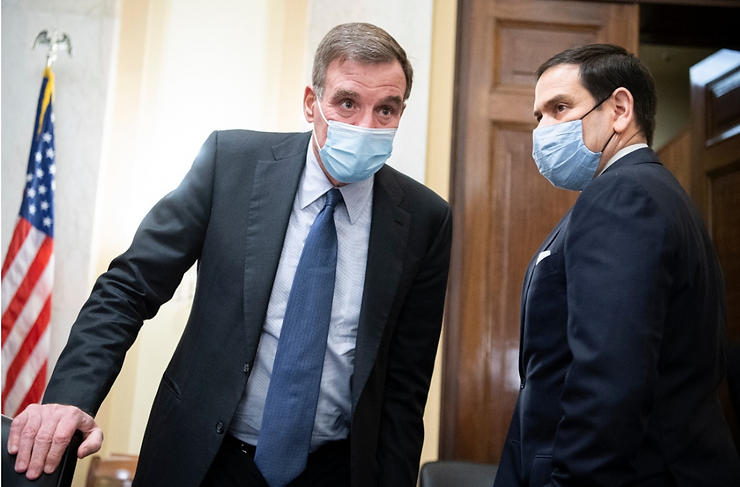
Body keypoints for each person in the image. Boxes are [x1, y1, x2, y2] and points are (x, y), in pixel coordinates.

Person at [7, 22, 452, 487]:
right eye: (347, 103)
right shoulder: (231, 162)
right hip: (205, 459)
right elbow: (128, 287)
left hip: (333, 471)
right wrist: (70, 396)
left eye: (386, 110)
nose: (365, 126)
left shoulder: (425, 219)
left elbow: (405, 388)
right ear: (311, 103)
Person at [494, 44, 740, 487]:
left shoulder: (622, 196)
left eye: (559, 108)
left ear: (620, 110)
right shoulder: (654, 191)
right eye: (539, 116)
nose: (543, 130)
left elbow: (609, 379)